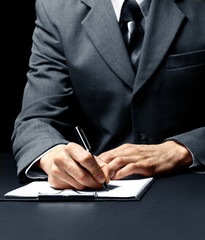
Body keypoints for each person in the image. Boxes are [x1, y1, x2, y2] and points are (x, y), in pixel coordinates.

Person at [12, 0, 205, 190]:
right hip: (99, 191)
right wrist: (53, 155)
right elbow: (35, 120)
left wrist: (182, 151)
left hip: (191, 185)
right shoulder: (56, 8)